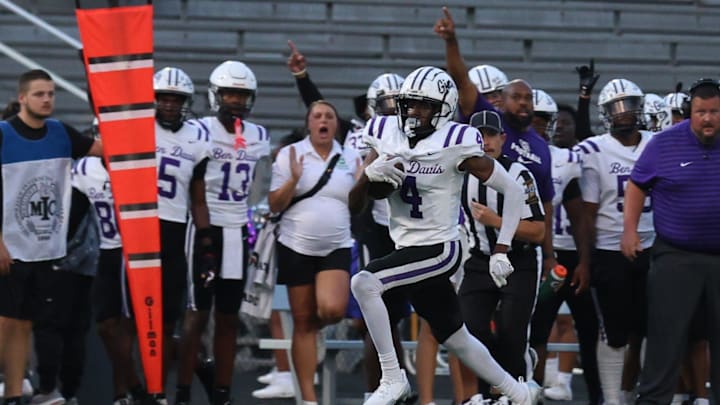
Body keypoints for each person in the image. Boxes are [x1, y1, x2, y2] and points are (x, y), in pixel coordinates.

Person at [349, 66, 540, 405]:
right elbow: (354, 205)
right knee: (456, 337)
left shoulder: (455, 141)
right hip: (406, 247)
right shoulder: (384, 133)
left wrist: (501, 248)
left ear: (445, 108)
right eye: (410, 104)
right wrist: (367, 176)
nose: (414, 112)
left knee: (365, 282)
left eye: (425, 105)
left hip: (440, 248)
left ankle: (393, 379)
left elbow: (512, 190)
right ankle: (519, 392)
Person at [0, 69, 102, 405]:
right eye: (39, 94)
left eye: (51, 93)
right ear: (22, 98)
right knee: (6, 321)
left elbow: (107, 151)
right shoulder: (3, 134)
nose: (47, 99)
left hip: (45, 249)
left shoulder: (61, 133)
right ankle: (12, 387)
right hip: (9, 246)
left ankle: (16, 391)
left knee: (25, 322)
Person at [434, 7, 555, 278]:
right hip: (473, 242)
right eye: (517, 97)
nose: (523, 103)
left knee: (516, 321)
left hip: (521, 251)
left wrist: (549, 255)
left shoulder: (540, 147)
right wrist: (451, 41)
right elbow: (462, 81)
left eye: (528, 98)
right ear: (503, 99)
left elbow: (545, 205)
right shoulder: (488, 121)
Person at [176, 61, 270, 405]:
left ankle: (222, 394)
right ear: (216, 95)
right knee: (196, 314)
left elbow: (258, 184)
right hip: (203, 227)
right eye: (230, 93)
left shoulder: (258, 135)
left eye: (242, 95)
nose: (236, 101)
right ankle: (184, 392)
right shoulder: (198, 130)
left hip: (237, 229)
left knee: (228, 317)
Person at [622, 78, 720, 405]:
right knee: (666, 337)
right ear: (689, 113)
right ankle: (652, 401)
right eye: (701, 111)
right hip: (676, 255)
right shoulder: (664, 144)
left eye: (715, 112)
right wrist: (630, 231)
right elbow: (637, 185)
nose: (708, 118)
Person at [269, 100, 360, 405]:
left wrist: (364, 182)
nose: (323, 120)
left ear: (336, 124)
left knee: (333, 310)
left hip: (336, 244)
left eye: (329, 116)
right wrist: (293, 179)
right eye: (317, 116)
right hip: (296, 245)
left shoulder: (349, 155)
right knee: (303, 320)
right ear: (308, 123)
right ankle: (309, 398)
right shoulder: (290, 154)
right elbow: (274, 204)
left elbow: (358, 205)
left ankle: (313, 334)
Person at [574, 78, 654, 405]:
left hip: (655, 247)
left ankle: (643, 393)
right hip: (609, 250)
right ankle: (612, 398)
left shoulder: (657, 142)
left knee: (654, 328)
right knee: (614, 331)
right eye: (616, 108)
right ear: (605, 113)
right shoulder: (593, 149)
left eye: (629, 105)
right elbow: (588, 212)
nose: (624, 114)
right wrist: (587, 258)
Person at [457, 110, 545, 402]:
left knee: (511, 330)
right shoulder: (457, 175)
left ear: (503, 138)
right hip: (479, 259)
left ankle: (518, 388)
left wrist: (496, 221)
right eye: (478, 136)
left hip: (517, 261)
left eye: (491, 134)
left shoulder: (520, 174)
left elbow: (538, 231)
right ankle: (487, 394)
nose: (486, 142)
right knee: (470, 330)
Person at [528, 89, 600, 404]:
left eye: (545, 121)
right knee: (538, 329)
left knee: (587, 327)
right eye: (536, 120)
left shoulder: (566, 158)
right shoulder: (513, 155)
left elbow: (581, 216)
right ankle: (530, 391)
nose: (542, 128)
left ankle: (600, 394)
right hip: (536, 253)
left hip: (566, 253)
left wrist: (585, 261)